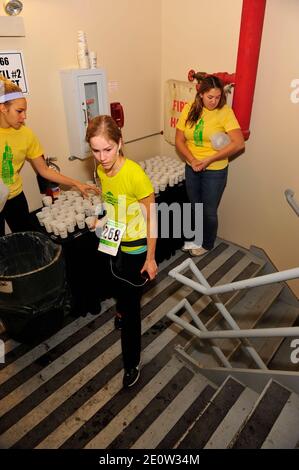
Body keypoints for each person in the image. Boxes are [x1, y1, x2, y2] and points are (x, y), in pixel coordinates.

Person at [86, 115, 158, 389]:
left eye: (108, 149)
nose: (102, 157)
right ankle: (121, 311)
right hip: (113, 239)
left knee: (131, 311)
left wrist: (150, 258)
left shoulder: (134, 174)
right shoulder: (102, 170)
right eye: (96, 150)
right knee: (114, 283)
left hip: (135, 248)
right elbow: (110, 200)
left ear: (120, 143)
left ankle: (131, 364)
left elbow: (152, 218)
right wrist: (103, 218)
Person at [0, 76, 98, 236]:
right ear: (3, 108)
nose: (24, 117)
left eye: (25, 111)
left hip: (15, 196)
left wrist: (76, 183)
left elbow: (44, 170)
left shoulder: (26, 134)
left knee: (27, 239)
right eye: (19, 111)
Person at [175, 75, 245, 256]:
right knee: (194, 206)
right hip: (192, 166)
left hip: (214, 170)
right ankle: (195, 239)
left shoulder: (225, 112)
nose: (214, 101)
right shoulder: (189, 109)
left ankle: (206, 244)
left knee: (209, 211)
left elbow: (238, 143)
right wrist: (192, 160)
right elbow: (179, 140)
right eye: (210, 97)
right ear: (200, 94)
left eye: (218, 97)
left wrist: (209, 160)